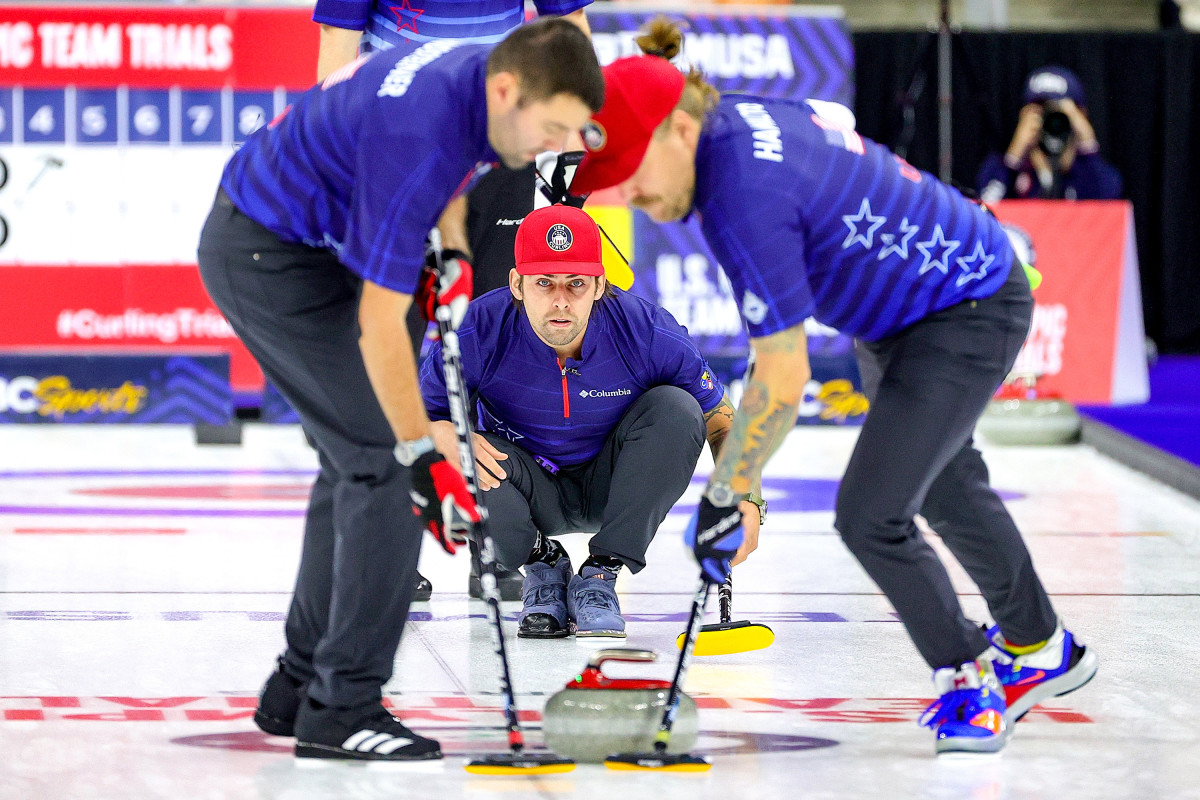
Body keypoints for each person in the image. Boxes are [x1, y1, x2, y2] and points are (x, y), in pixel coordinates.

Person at [570, 19, 1097, 755]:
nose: (628, 193)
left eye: (631, 169)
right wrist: (736, 490)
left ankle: (969, 679)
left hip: (965, 306)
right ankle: (1042, 646)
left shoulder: (742, 193)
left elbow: (784, 375)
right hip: (907, 311)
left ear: (679, 130)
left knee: (870, 515)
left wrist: (729, 492)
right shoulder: (731, 128)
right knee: (947, 484)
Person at [196, 19, 603, 761]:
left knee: (353, 462)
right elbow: (379, 326)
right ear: (508, 91)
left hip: (303, 244)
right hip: (268, 257)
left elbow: (453, 176)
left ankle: (299, 686)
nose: (556, 147)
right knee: (384, 464)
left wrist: (454, 250)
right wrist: (423, 453)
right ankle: (342, 707)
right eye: (551, 129)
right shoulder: (417, 130)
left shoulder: (481, 81)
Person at [312, 0, 595, 600]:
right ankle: (390, 544)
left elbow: (569, 30)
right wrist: (347, 160)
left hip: (504, 144)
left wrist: (572, 154)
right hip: (400, 141)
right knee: (398, 334)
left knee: (496, 336)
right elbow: (338, 38)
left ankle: (499, 538)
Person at [420, 204, 757, 638]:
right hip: (522, 482)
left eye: (576, 283)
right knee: (456, 448)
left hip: (614, 484)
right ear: (517, 284)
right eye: (544, 283)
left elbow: (721, 418)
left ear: (599, 284)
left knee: (679, 408)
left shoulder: (648, 332)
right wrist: (438, 431)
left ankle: (600, 574)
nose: (560, 300)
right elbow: (415, 416)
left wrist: (745, 500)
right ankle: (543, 566)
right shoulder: (475, 330)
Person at [977, 65, 1123, 202]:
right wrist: (1014, 157)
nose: (1050, 120)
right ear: (1024, 115)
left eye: (1059, 112)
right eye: (1041, 110)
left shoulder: (1090, 173)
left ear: (1081, 116)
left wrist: (1088, 146)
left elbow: (1108, 204)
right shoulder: (1002, 168)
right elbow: (987, 208)